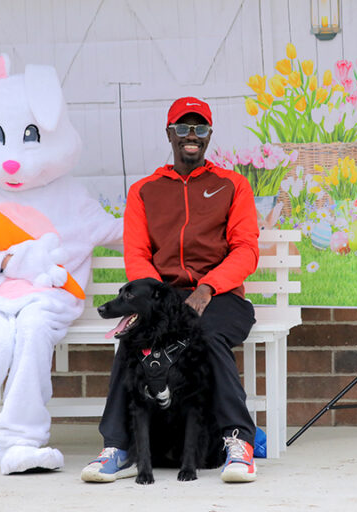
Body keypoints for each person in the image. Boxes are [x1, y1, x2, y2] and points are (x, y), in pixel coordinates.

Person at [81, 97, 260, 483]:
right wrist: (158, 299)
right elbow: (137, 254)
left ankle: (238, 443)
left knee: (207, 337)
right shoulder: (145, 190)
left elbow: (245, 250)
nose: (190, 136)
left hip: (220, 296)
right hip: (163, 296)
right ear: (170, 134)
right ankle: (117, 447)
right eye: (182, 128)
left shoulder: (232, 185)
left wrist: (208, 287)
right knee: (131, 340)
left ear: (210, 135)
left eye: (199, 128)